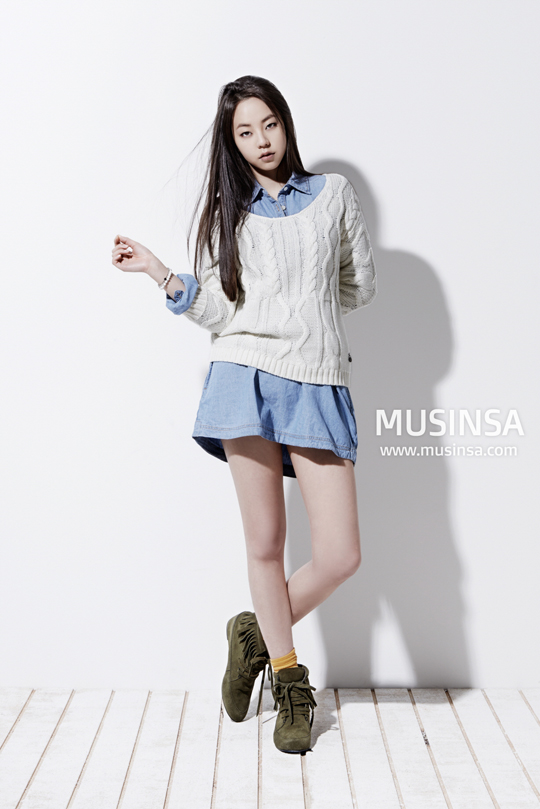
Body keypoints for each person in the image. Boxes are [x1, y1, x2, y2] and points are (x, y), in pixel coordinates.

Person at [111, 75, 376, 755]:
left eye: (269, 125)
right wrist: (160, 272)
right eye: (245, 132)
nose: (261, 141)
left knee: (341, 554)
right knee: (265, 541)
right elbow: (217, 309)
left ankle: (255, 632)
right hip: (243, 376)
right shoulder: (227, 215)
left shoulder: (334, 196)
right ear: (232, 143)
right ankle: (289, 681)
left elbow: (359, 286)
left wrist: (308, 310)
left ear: (286, 124)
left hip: (316, 378)